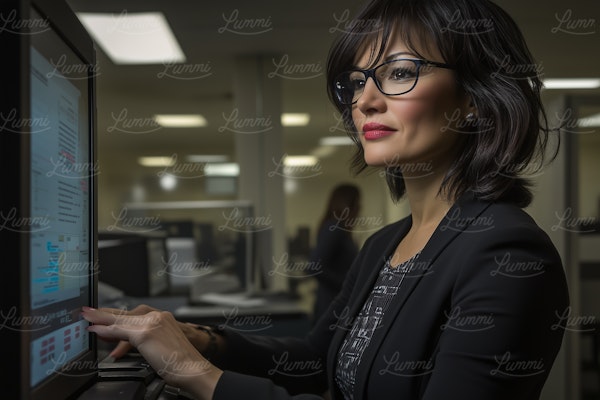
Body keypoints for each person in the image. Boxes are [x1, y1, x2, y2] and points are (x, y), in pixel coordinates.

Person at [82, 0, 570, 399]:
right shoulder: (386, 244)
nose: (365, 100)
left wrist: (200, 376)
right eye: (356, 82)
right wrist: (206, 342)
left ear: (476, 99)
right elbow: (318, 361)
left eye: (399, 72)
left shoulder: (505, 252)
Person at [310, 183, 361, 324]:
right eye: (357, 203)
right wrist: (346, 286)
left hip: (335, 304)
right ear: (348, 205)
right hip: (331, 305)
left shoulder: (339, 229)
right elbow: (314, 266)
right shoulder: (335, 228)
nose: (360, 208)